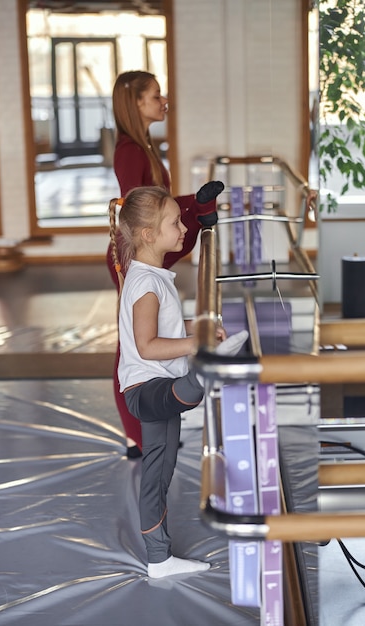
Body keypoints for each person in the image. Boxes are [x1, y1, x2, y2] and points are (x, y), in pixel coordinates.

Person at [108, 186, 248, 579]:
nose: (184, 227)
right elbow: (148, 345)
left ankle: (159, 558)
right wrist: (197, 343)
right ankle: (207, 369)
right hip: (146, 390)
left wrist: (200, 327)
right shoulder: (146, 284)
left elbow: (164, 328)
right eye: (175, 222)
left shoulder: (152, 277)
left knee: (159, 471)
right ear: (149, 235)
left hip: (158, 387)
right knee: (192, 390)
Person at [107, 70, 224, 458]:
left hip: (143, 248)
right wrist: (193, 207)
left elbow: (162, 208)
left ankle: (145, 426)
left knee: (146, 334)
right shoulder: (130, 151)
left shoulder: (145, 146)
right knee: (132, 344)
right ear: (136, 103)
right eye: (156, 96)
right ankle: (135, 434)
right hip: (132, 256)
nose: (164, 101)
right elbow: (142, 215)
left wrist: (195, 203)